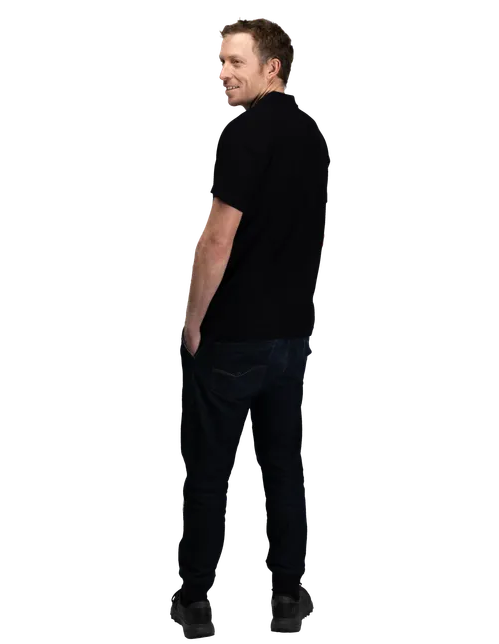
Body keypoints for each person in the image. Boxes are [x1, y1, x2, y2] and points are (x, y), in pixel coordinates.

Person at [170, 17, 329, 636]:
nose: (223, 74)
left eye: (235, 62)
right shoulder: (312, 136)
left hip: (234, 337)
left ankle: (194, 605)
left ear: (272, 67)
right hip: (291, 338)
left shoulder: (246, 135)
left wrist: (192, 321)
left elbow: (217, 240)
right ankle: (289, 599)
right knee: (283, 467)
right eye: (220, 62)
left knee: (209, 474)